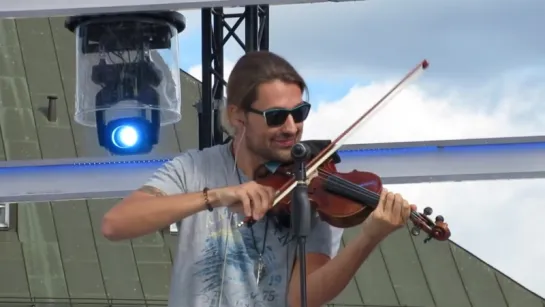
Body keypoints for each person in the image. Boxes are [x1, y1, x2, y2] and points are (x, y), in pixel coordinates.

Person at [101, 50, 416, 307]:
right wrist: (217, 196)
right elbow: (115, 224)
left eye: (300, 113)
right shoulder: (194, 169)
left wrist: (368, 239)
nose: (292, 127)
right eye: (276, 117)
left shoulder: (315, 186)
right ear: (238, 116)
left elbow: (301, 297)